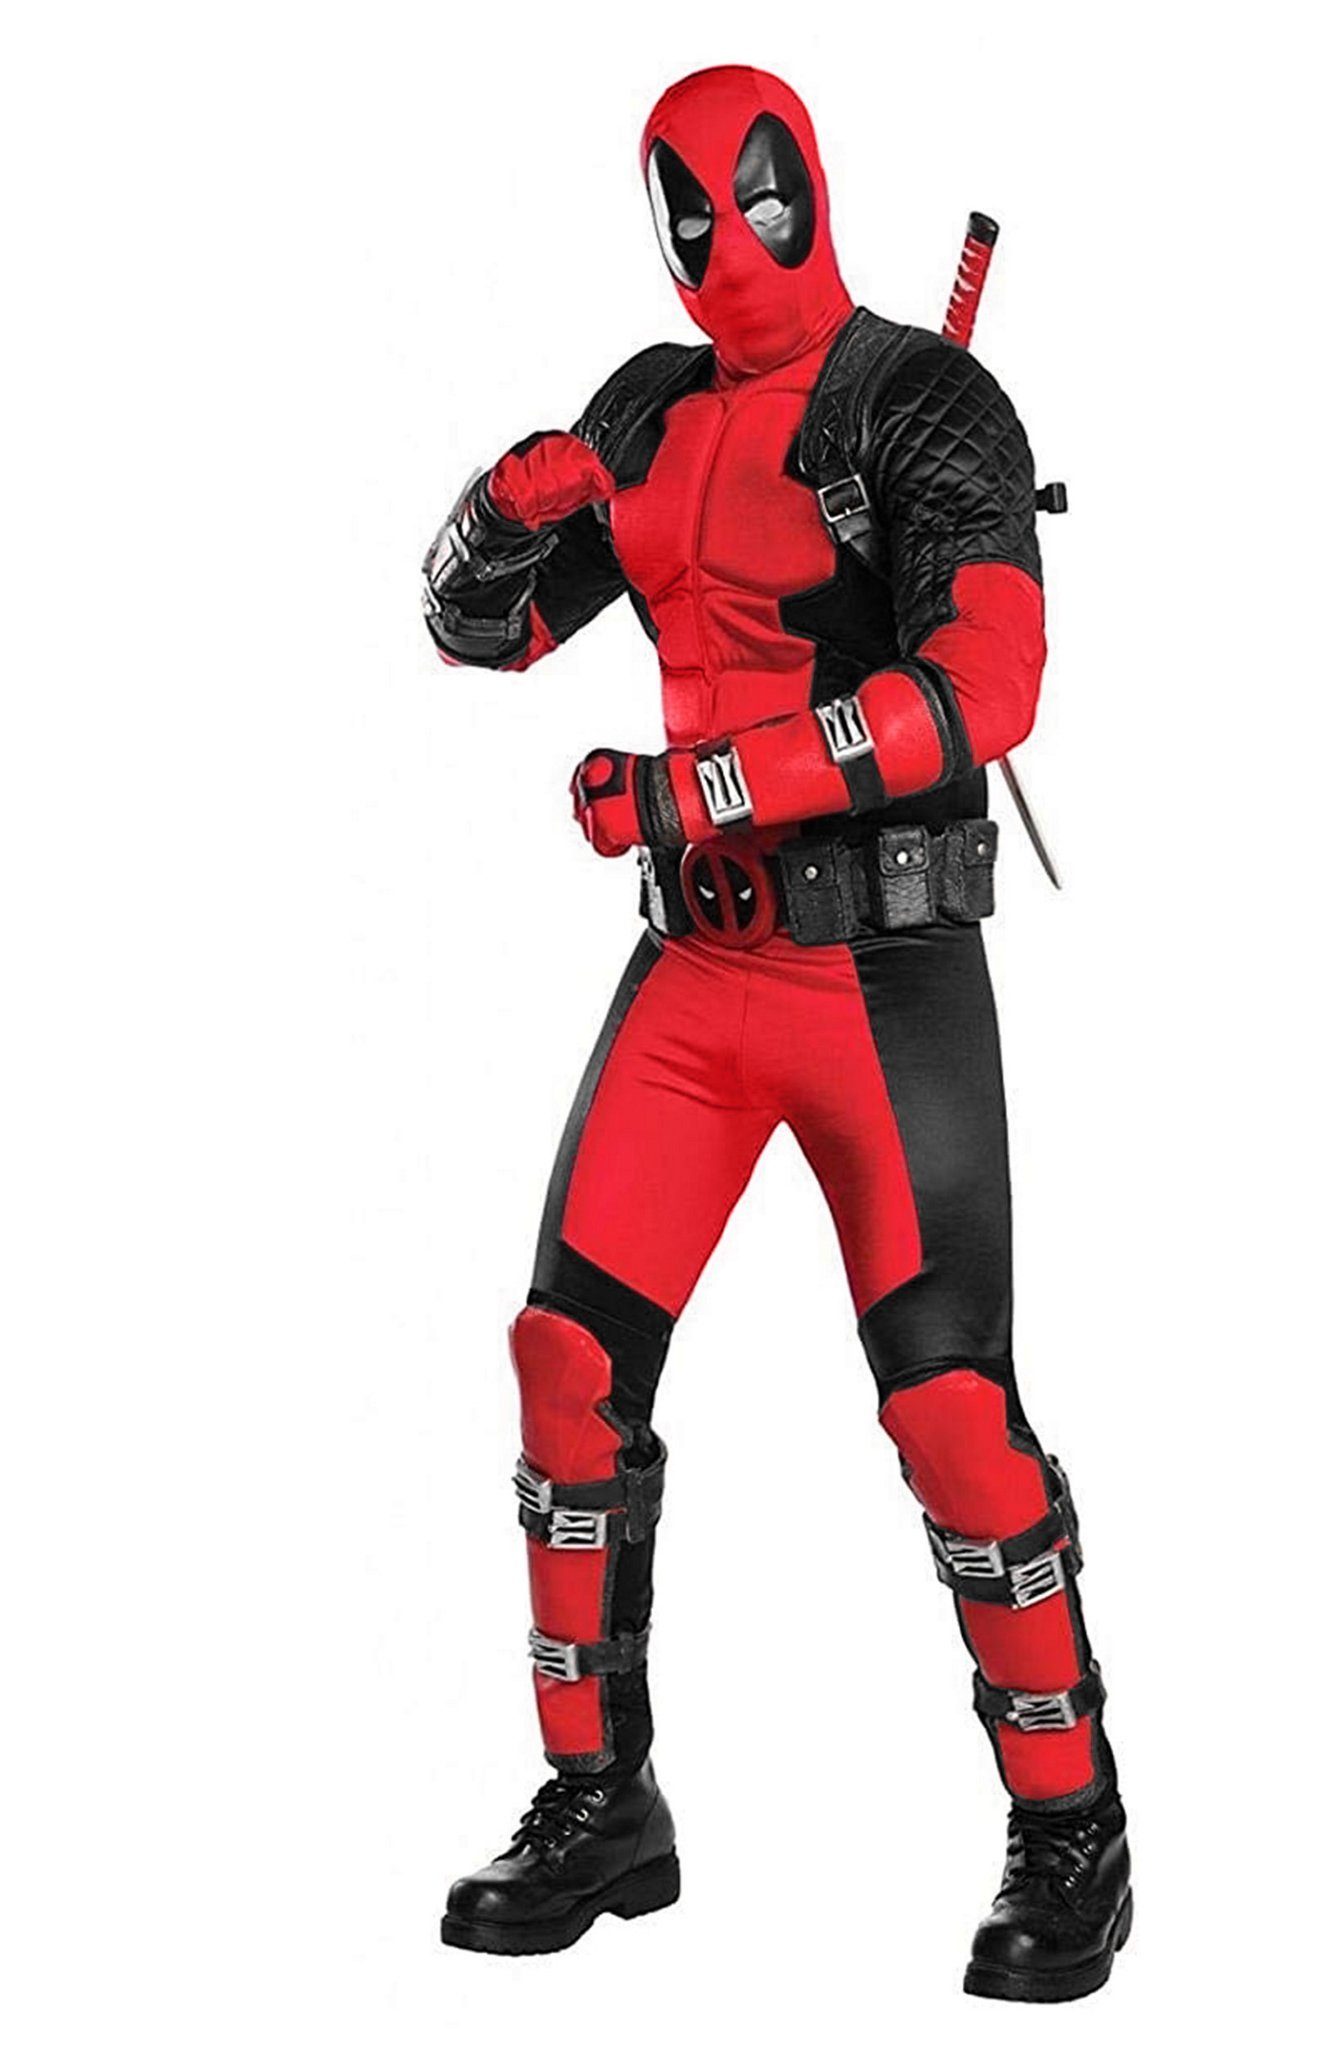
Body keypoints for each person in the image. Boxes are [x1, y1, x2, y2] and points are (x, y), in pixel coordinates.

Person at [423, 64, 1132, 2002]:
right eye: (685, 205)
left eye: (748, 194)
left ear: (803, 183)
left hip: (877, 974)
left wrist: (691, 789)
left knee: (948, 1408)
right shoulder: (646, 408)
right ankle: (599, 1799)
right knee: (565, 1361)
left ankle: (1069, 1824)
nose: (721, 237)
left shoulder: (924, 400)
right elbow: (479, 633)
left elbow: (983, 691)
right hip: (694, 974)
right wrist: (504, 509)